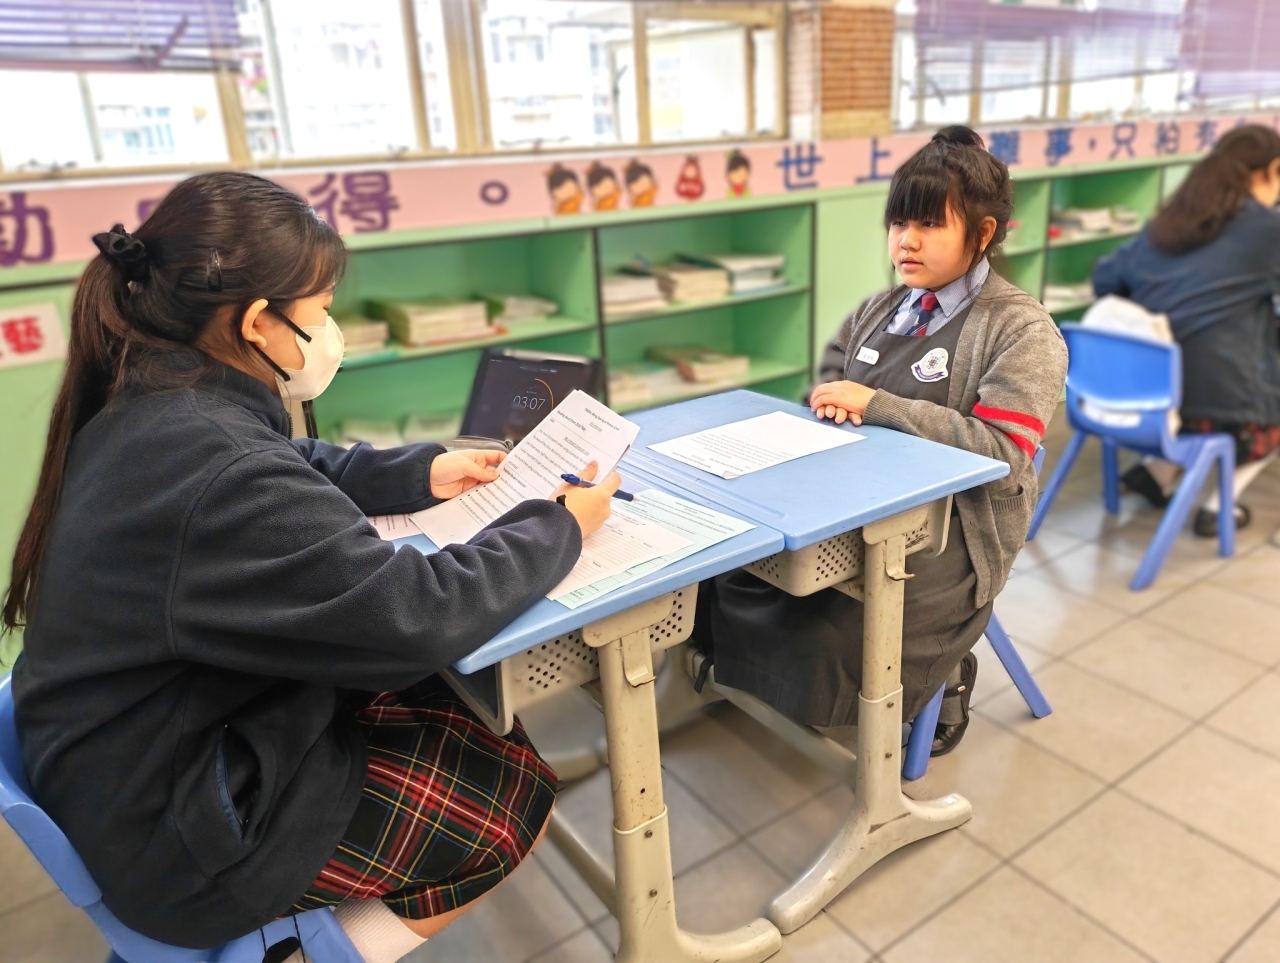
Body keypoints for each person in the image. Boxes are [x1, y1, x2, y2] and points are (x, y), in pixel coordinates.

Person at [1, 172, 619, 962]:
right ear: (257, 321)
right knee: (509, 796)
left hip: (133, 761)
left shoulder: (156, 397)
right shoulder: (212, 460)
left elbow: (282, 460)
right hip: (183, 836)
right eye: (321, 310)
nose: (330, 330)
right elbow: (418, 613)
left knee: (451, 708)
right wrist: (557, 526)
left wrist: (417, 471)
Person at [697, 127, 1066, 755]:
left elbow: (1004, 455)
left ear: (982, 234)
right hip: (849, 505)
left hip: (951, 538)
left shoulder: (1022, 332)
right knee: (734, 576)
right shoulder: (879, 309)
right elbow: (827, 389)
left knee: (831, 632)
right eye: (898, 223)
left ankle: (946, 679)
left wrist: (879, 407)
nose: (906, 241)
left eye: (929, 224)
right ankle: (741, 678)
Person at [1093, 124, 1280, 537]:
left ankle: (1155, 473)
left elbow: (1106, 279)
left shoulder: (1169, 223)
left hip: (1143, 391)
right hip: (1212, 399)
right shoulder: (1269, 229)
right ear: (1273, 170)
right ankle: (1218, 507)